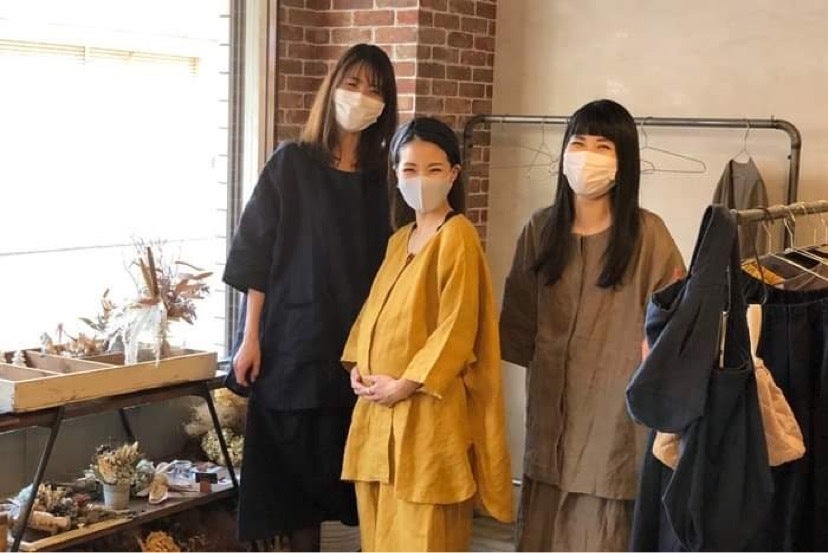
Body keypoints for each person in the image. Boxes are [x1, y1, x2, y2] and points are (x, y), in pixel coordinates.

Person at [222, 43, 398, 551]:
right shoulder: (291, 163)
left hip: (358, 352)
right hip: (291, 343)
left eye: (374, 90)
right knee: (292, 489)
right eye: (352, 84)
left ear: (386, 104)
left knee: (355, 476)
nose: (360, 97)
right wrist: (249, 338)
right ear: (333, 87)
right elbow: (256, 255)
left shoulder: (386, 178)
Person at [500, 99, 685, 551]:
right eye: (578, 143)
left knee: (602, 533)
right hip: (551, 414)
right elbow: (518, 326)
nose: (587, 156)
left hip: (614, 426)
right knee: (542, 528)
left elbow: (674, 328)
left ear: (624, 162)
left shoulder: (649, 236)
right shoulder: (540, 230)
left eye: (603, 146)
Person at [340, 117, 513, 552]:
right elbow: (372, 313)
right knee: (379, 536)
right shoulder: (400, 239)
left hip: (426, 415)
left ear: (453, 174)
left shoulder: (458, 236)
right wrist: (358, 365)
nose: (421, 180)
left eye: (434, 169)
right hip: (378, 415)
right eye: (410, 169)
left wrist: (404, 384)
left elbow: (457, 328)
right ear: (396, 174)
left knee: (425, 536)